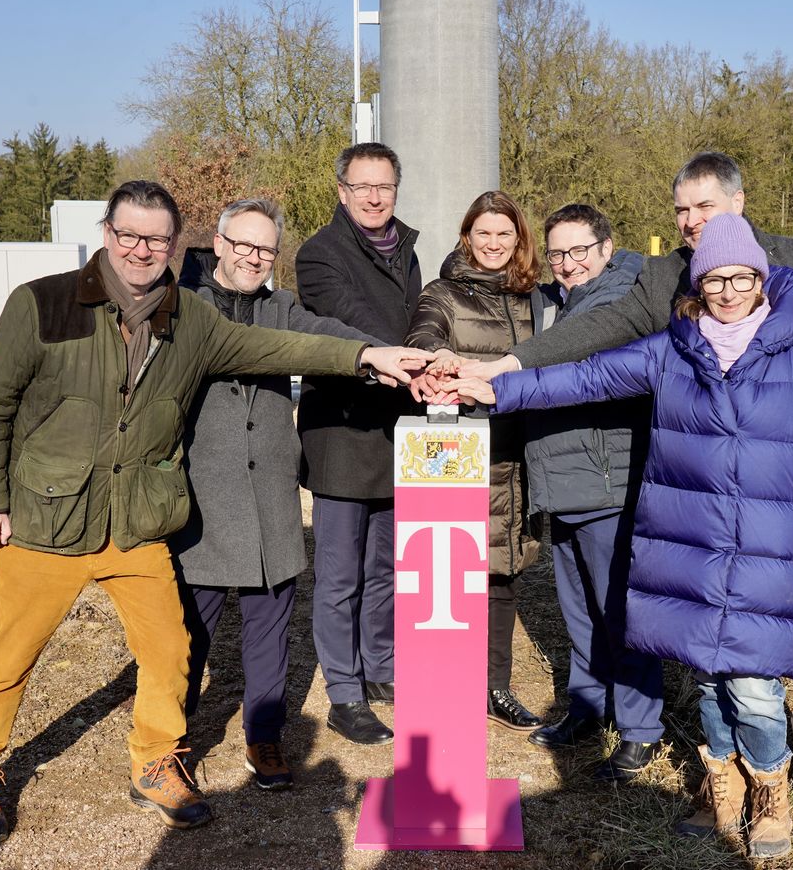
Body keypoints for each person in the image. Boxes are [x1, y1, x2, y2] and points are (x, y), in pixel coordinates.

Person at [0, 180, 430, 845]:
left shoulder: (191, 318)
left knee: (171, 651)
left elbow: (283, 348)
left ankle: (153, 762)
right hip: (45, 517)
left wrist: (365, 355)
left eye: (156, 238)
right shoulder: (43, 302)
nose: (142, 249)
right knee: (11, 653)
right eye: (129, 234)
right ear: (107, 232)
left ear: (176, 244)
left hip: (137, 520)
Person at [447, 213, 793, 859]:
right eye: (714, 279)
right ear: (697, 285)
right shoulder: (673, 349)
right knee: (712, 679)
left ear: (762, 280)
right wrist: (493, 386)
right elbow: (584, 377)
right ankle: (720, 784)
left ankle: (769, 791)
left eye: (740, 277)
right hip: (691, 543)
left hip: (769, 549)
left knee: (752, 684)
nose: (726, 290)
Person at [171, 198, 388, 791]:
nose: (252, 257)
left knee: (270, 624)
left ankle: (263, 735)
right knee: (191, 628)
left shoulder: (283, 308)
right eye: (242, 244)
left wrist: (375, 353)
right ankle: (172, 736)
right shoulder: (185, 308)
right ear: (217, 244)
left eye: (264, 249)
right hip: (203, 494)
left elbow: (325, 334)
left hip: (268, 491)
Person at [522, 204, 665, 781]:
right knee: (579, 607)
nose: (567, 264)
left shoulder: (620, 298)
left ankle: (639, 728)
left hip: (606, 480)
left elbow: (580, 360)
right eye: (557, 254)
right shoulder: (553, 299)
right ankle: (588, 704)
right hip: (558, 481)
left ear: (607, 248)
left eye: (579, 251)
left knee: (620, 610)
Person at [295, 142, 422, 746]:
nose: (375, 197)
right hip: (344, 433)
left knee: (388, 567)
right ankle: (344, 690)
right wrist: (413, 358)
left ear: (397, 189)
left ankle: (382, 667)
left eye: (386, 186)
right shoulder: (320, 255)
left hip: (399, 431)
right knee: (340, 573)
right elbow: (346, 321)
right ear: (342, 191)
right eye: (363, 186)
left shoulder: (409, 252)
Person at [405, 189, 543, 730]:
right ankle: (447, 682)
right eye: (482, 233)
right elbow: (425, 329)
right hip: (461, 453)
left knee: (504, 568)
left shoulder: (538, 297)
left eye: (503, 234)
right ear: (468, 237)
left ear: (519, 239)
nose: (493, 243)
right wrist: (435, 353)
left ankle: (495, 686)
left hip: (520, 450)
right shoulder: (443, 291)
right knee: (454, 570)